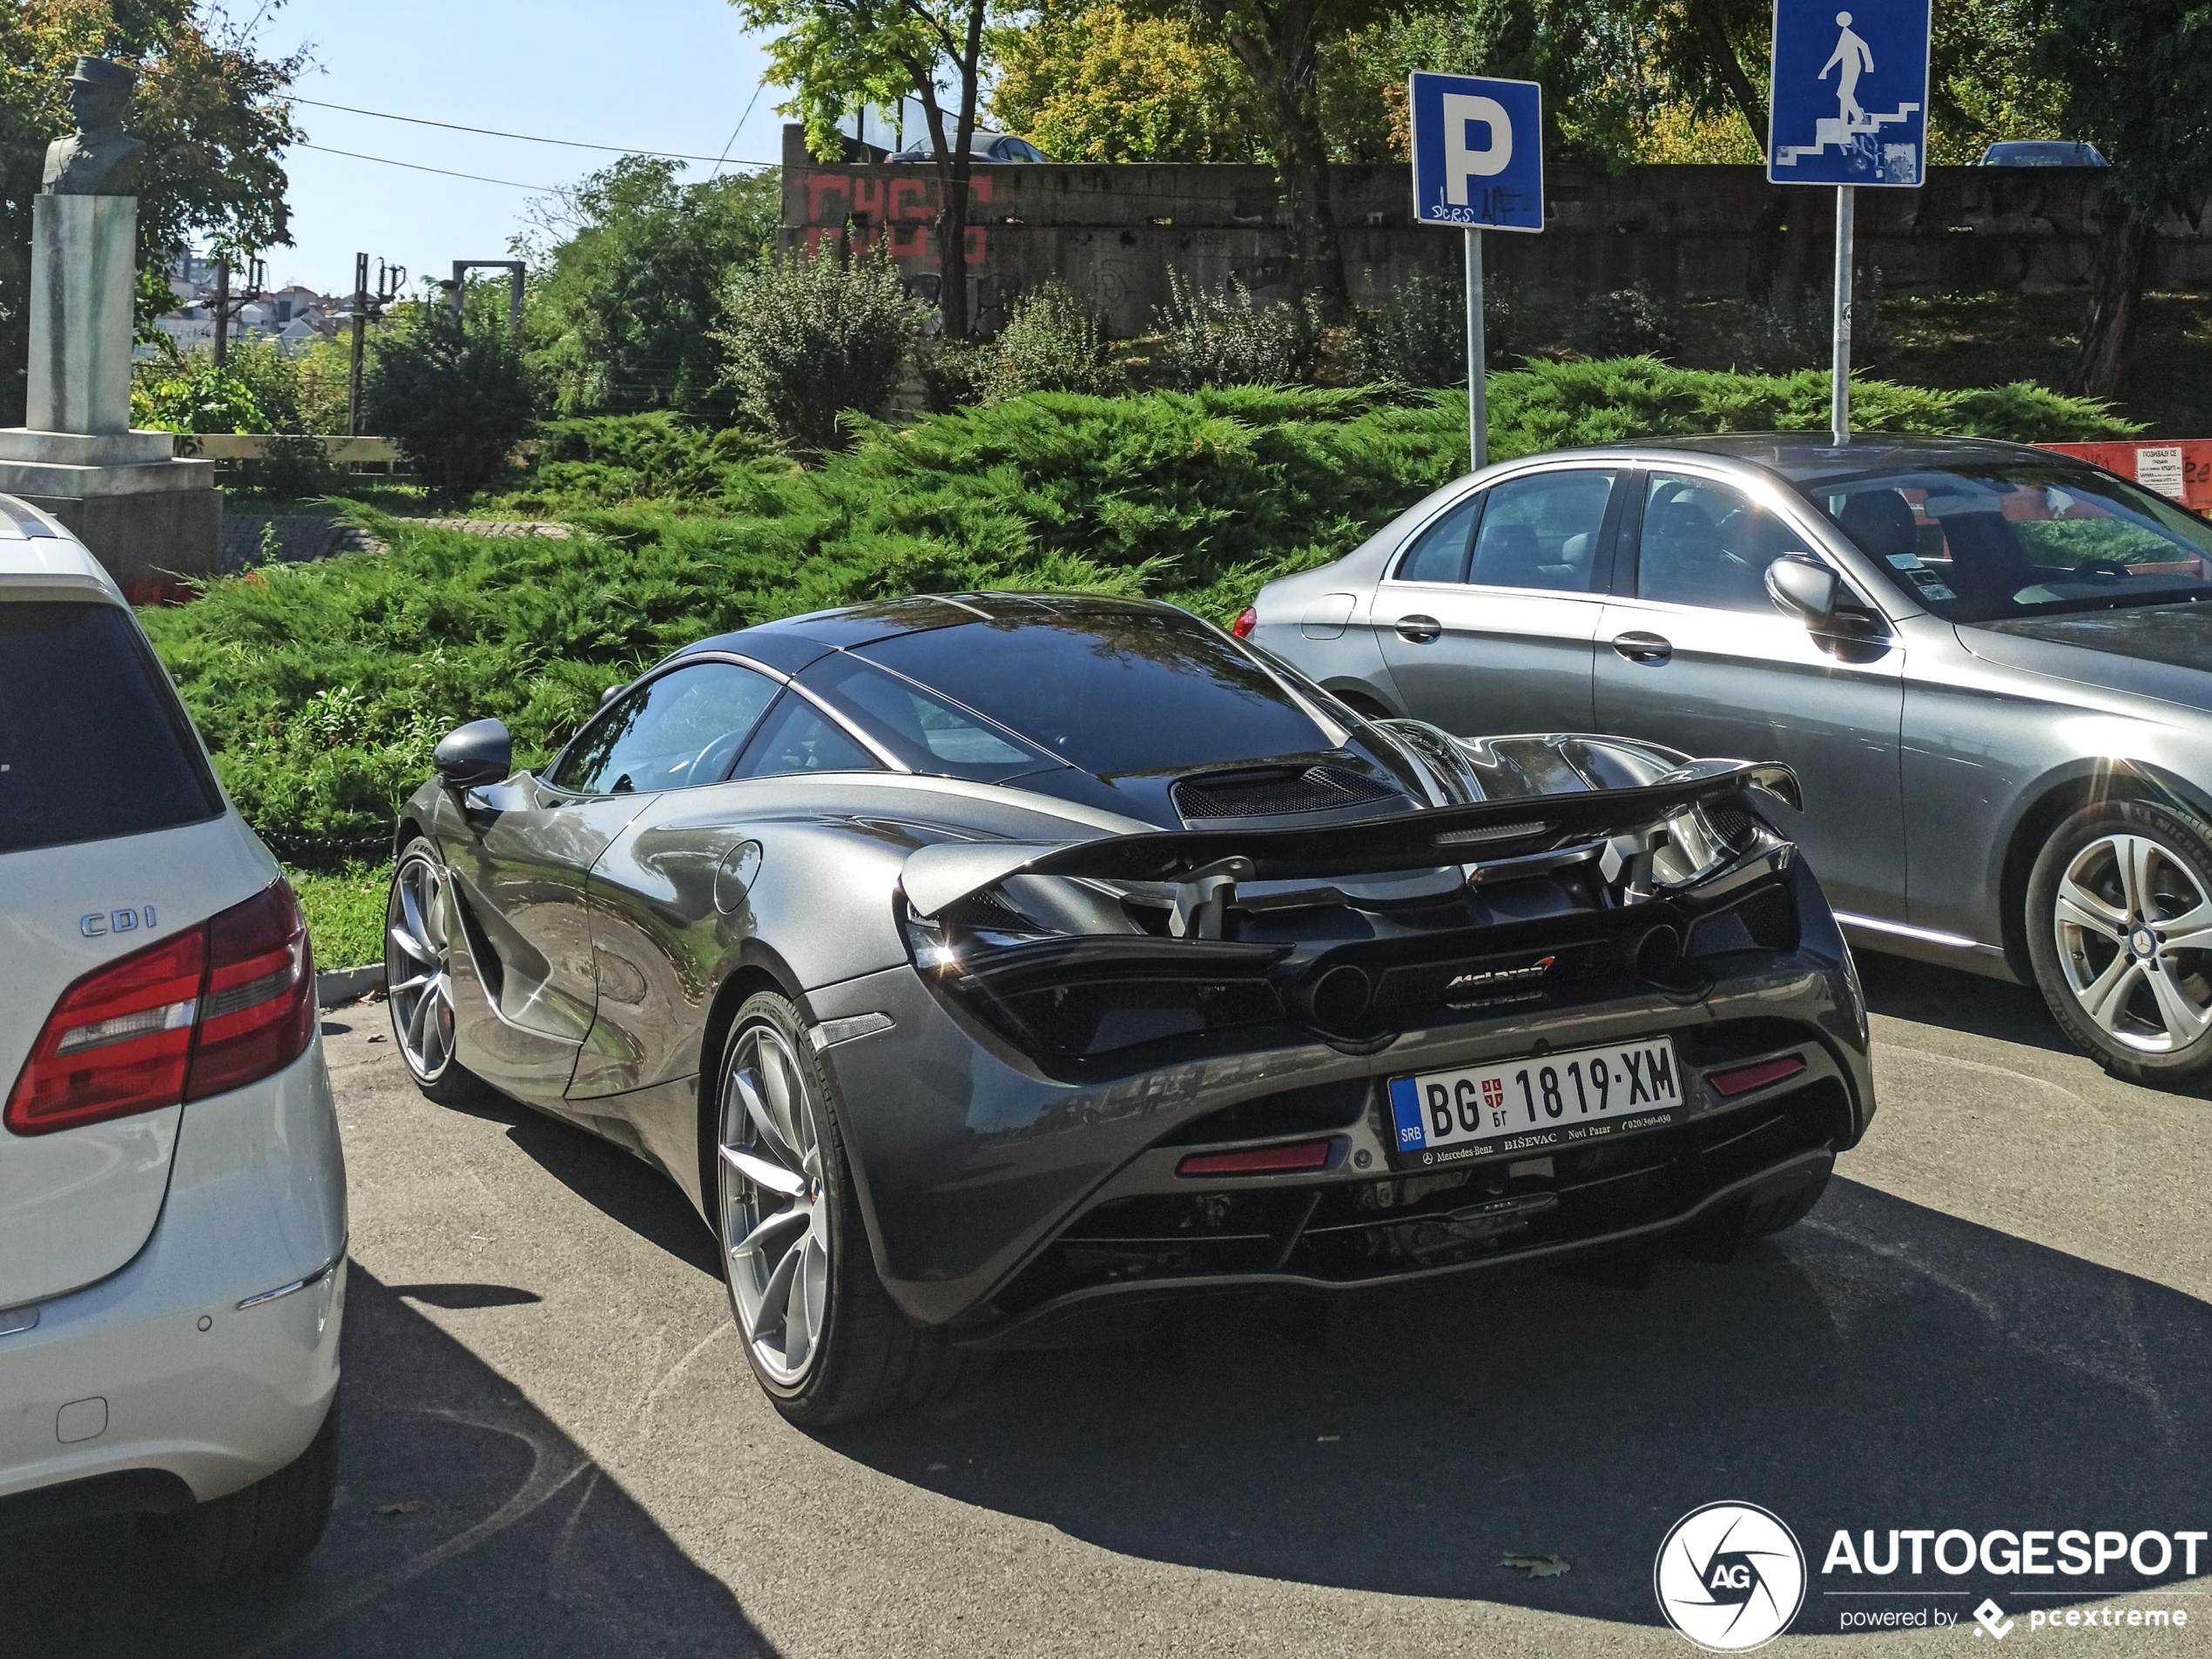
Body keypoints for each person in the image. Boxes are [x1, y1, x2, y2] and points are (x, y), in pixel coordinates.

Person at [1819, 12, 1875, 131]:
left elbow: (1864, 46)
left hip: (1852, 67)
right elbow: (1838, 55)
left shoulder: (1848, 35)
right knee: (1843, 94)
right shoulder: (1845, 34)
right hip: (1848, 67)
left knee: (1843, 93)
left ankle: (1858, 116)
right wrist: (1825, 70)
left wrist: (1869, 65)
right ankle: (1849, 124)